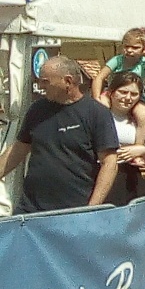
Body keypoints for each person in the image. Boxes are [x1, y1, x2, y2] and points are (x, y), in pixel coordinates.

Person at [1, 56, 121, 213]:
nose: (40, 86)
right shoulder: (37, 110)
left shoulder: (96, 113)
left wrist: (92, 208)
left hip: (74, 209)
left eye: (45, 81)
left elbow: (109, 163)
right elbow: (17, 150)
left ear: (68, 81)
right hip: (31, 208)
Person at [104, 73, 145, 206]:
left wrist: (142, 150)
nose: (128, 98)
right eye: (123, 92)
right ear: (111, 92)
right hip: (101, 175)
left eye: (134, 94)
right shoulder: (100, 115)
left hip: (130, 180)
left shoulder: (142, 120)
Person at [92, 26, 145, 104]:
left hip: (136, 96)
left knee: (142, 112)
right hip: (113, 93)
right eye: (126, 46)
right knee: (103, 104)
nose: (129, 50)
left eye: (135, 48)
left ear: (144, 49)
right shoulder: (118, 60)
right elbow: (99, 78)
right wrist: (96, 98)